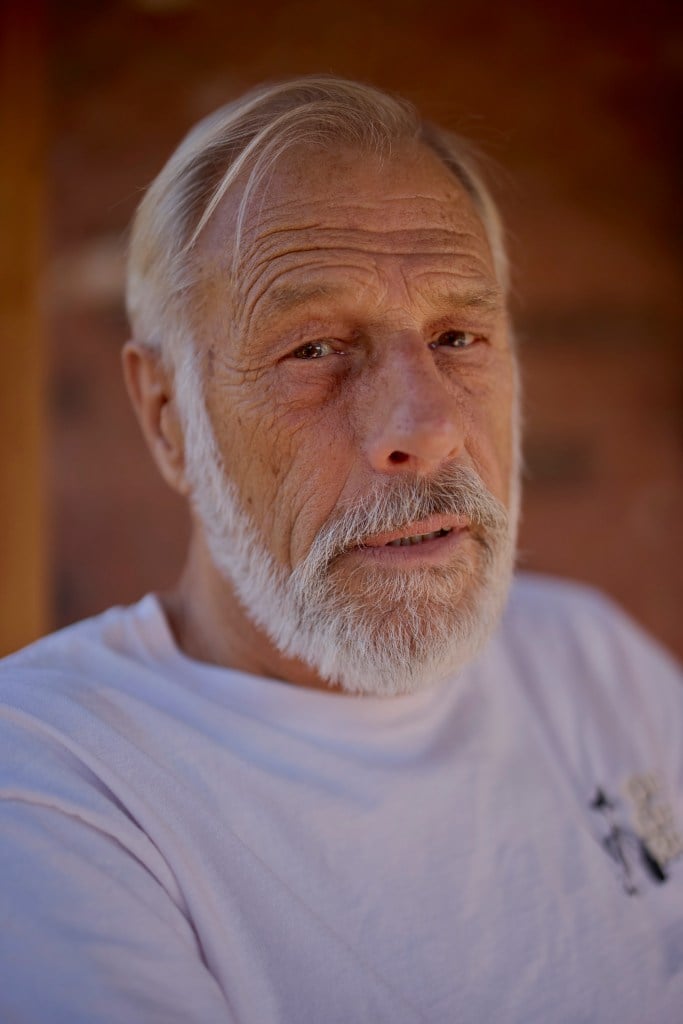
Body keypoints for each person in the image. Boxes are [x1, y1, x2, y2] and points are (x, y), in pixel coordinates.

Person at [0, 76, 681, 1024]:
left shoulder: (592, 661)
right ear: (167, 417)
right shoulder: (53, 780)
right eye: (314, 348)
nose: (425, 428)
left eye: (457, 336)